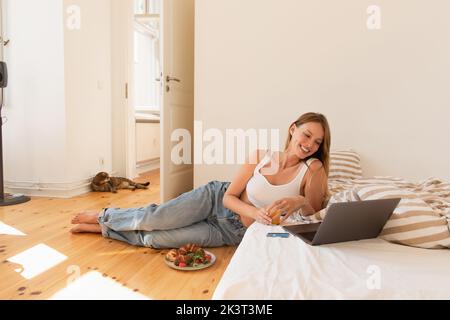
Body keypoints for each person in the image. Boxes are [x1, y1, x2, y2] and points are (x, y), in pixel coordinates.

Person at [70, 112, 331, 249]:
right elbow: (230, 196)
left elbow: (314, 212)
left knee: (158, 240)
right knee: (156, 219)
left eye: (317, 142)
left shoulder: (313, 170)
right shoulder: (261, 156)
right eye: (306, 135)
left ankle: (104, 229)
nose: (309, 144)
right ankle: (105, 215)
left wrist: (298, 199)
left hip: (231, 232)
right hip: (214, 201)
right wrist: (254, 211)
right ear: (292, 128)